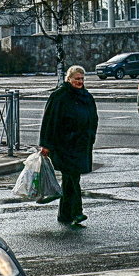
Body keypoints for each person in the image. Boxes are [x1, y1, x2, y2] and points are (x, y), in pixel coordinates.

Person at [39, 65, 98, 227]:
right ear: (69, 79)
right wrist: (45, 144)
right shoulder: (60, 96)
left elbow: (93, 118)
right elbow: (49, 121)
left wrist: (91, 136)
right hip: (64, 144)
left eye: (82, 79)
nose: (80, 82)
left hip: (81, 144)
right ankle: (77, 212)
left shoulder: (86, 96)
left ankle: (64, 214)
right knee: (72, 177)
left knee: (71, 178)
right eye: (77, 79)